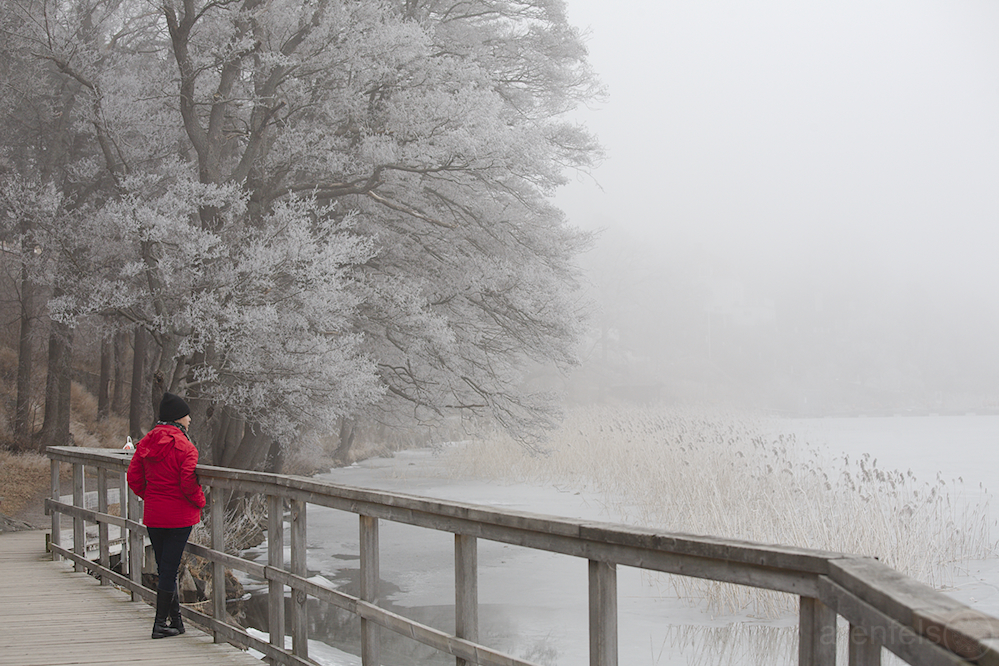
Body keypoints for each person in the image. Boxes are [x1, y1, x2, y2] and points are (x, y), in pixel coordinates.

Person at [127, 392, 206, 639]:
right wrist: (200, 502)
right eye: (186, 415)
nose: (190, 419)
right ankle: (159, 624)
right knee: (169, 570)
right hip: (179, 517)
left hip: (154, 514)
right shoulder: (186, 446)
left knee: (165, 568)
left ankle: (177, 622)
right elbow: (187, 483)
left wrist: (149, 496)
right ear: (178, 418)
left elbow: (134, 477)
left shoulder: (147, 441)